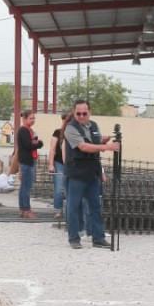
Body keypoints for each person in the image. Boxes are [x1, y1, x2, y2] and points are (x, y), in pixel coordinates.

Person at [64, 100, 119, 249]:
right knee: (73, 207)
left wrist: (103, 140)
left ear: (89, 112)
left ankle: (98, 237)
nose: (81, 116)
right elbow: (83, 146)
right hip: (76, 174)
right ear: (74, 113)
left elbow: (94, 142)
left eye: (84, 113)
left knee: (95, 206)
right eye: (78, 113)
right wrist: (106, 147)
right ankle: (74, 238)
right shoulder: (70, 128)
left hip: (92, 173)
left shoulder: (93, 125)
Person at [15, 109, 44, 218]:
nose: (33, 120)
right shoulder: (24, 130)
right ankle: (26, 209)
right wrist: (39, 143)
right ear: (24, 118)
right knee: (26, 187)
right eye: (31, 118)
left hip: (28, 160)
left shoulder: (29, 130)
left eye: (34, 118)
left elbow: (32, 143)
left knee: (24, 186)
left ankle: (23, 209)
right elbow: (28, 145)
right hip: (27, 161)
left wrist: (35, 143)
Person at [49, 113, 72, 219]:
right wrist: (51, 164)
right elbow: (52, 149)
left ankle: (68, 210)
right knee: (59, 188)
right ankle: (58, 210)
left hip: (71, 164)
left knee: (70, 188)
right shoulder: (57, 133)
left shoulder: (73, 133)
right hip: (59, 163)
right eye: (65, 120)